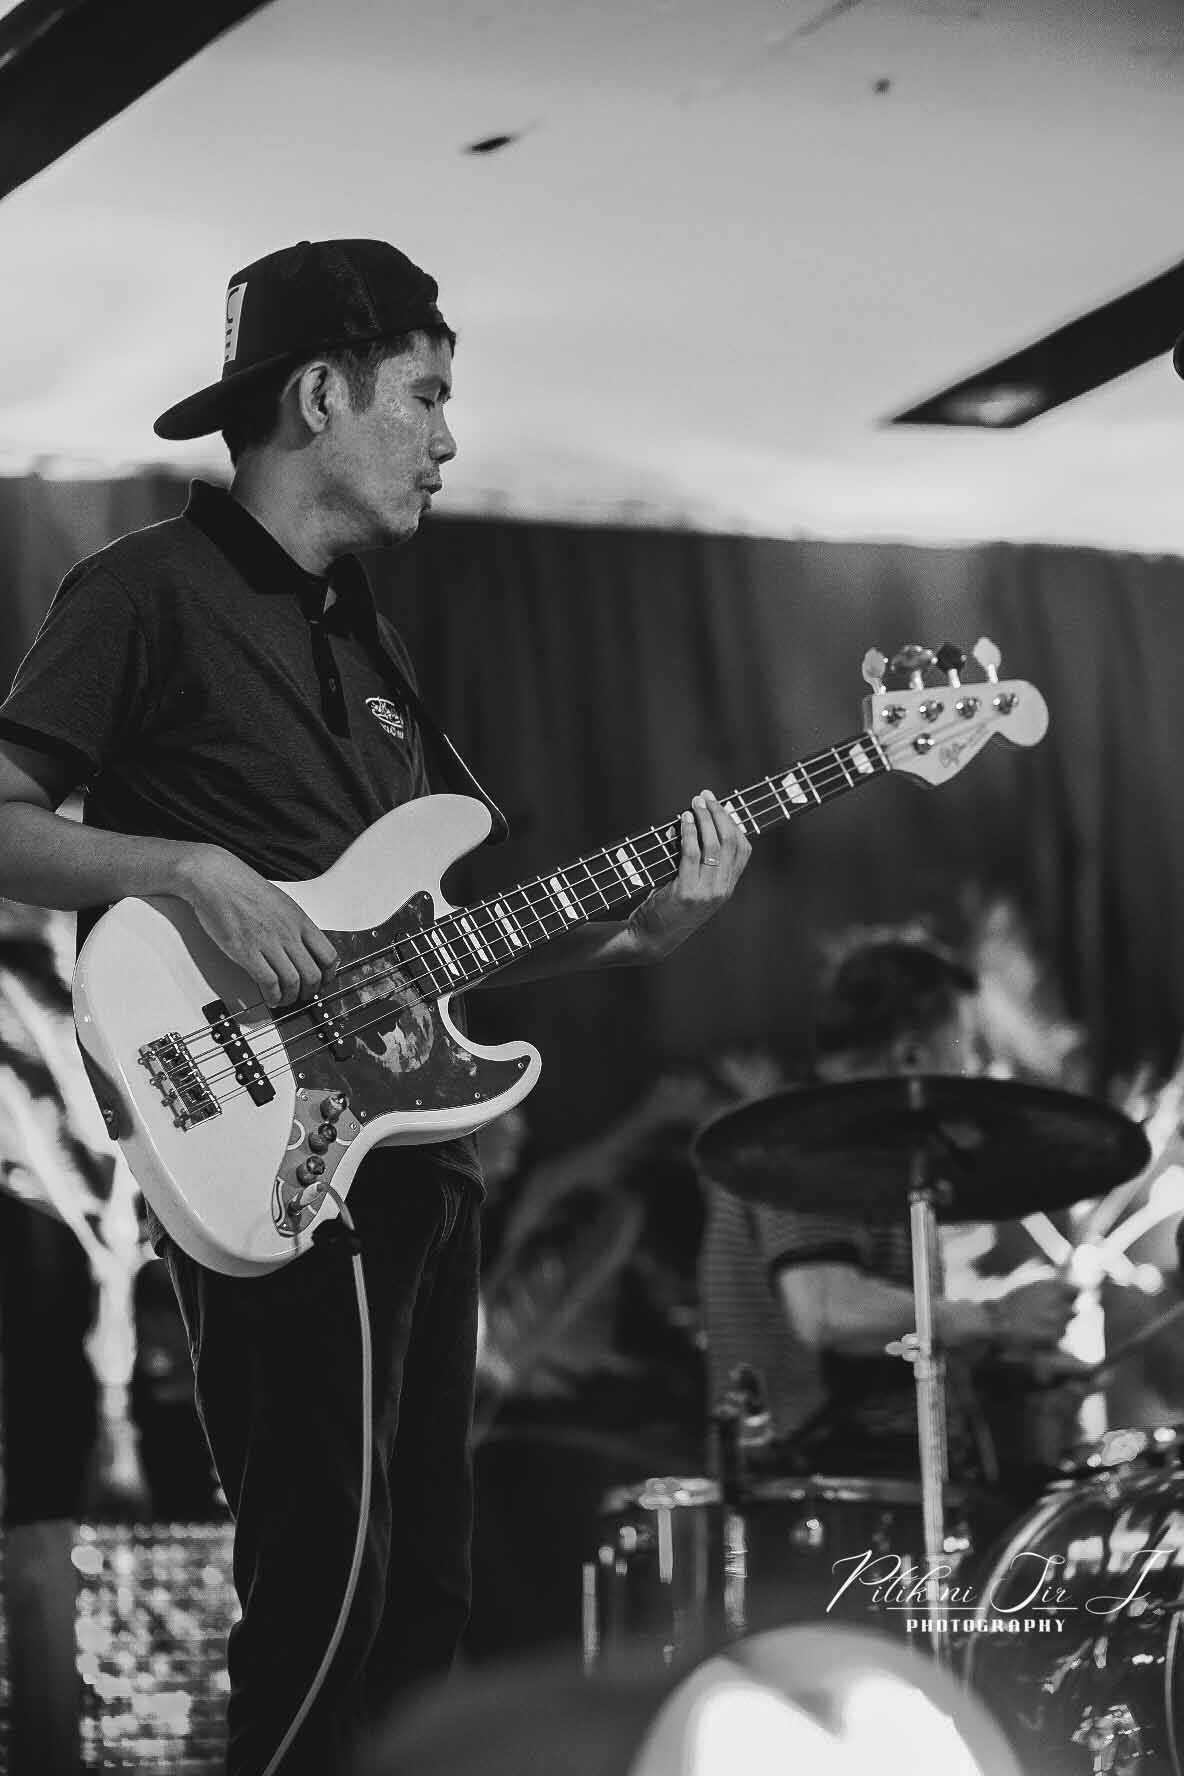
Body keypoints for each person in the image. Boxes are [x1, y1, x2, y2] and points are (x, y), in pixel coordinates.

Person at [0, 238, 751, 1775]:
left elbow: (432, 942)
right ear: (320, 397)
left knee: (423, 1598)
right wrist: (188, 868)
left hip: (415, 1154)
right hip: (270, 1148)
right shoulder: (142, 591)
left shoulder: (367, 636)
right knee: (325, 1588)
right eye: (426, 396)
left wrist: (636, 939)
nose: (448, 440)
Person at [699, 932, 1080, 1490]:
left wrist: (1006, 1360)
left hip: (871, 1479)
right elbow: (826, 1310)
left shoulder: (870, 1154)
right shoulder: (808, 1141)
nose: (978, 1066)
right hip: (819, 1491)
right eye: (968, 1045)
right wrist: (993, 1319)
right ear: (911, 1055)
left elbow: (892, 1339)